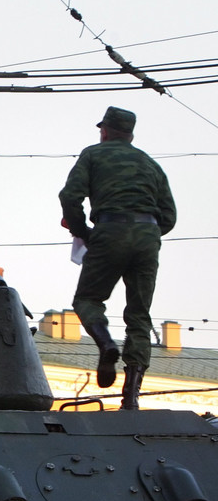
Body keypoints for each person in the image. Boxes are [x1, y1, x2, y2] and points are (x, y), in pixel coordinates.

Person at [58, 106, 176, 410]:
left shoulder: (94, 154)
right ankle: (131, 397)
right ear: (131, 134)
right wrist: (146, 232)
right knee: (139, 315)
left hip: (109, 231)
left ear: (106, 130)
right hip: (148, 236)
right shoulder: (150, 164)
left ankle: (106, 344)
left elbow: (70, 197)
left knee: (87, 299)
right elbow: (170, 215)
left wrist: (83, 230)